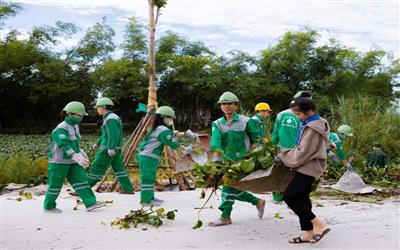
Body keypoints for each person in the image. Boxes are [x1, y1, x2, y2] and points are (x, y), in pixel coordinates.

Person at [275, 97, 331, 244]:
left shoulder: (312, 128)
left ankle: (318, 223)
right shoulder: (312, 123)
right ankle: (308, 232)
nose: (298, 117)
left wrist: (282, 156)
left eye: (299, 114)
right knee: (302, 197)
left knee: (290, 196)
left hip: (309, 166)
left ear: (310, 111)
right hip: (310, 165)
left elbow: (302, 153)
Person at [208, 92, 266, 227]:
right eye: (223, 104)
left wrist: (251, 156)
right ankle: (257, 202)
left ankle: (225, 216)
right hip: (226, 162)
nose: (226, 106)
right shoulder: (217, 124)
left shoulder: (246, 121)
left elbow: (256, 139)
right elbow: (215, 144)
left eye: (230, 103)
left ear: (236, 105)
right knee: (231, 187)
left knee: (228, 187)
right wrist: (216, 163)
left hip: (243, 162)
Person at [44, 101, 105, 213]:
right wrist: (76, 156)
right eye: (79, 115)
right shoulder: (61, 129)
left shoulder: (75, 126)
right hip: (59, 162)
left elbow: (75, 142)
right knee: (55, 185)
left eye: (81, 115)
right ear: (69, 114)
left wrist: (80, 152)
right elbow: (64, 145)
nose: (81, 118)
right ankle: (49, 206)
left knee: (81, 180)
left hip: (72, 161)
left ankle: (91, 203)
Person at [137, 106, 189, 206]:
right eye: (170, 118)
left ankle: (150, 198)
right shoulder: (162, 129)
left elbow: (172, 134)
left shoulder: (158, 128)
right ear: (162, 117)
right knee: (147, 178)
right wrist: (186, 149)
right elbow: (171, 142)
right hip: (148, 157)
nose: (171, 120)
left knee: (150, 177)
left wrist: (186, 133)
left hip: (148, 157)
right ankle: (145, 201)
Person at [271, 91, 311, 203]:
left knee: (279, 172)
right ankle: (292, 196)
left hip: (281, 149)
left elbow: (275, 133)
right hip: (296, 149)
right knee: (295, 174)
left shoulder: (281, 114)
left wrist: (272, 147)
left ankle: (278, 197)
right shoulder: (305, 116)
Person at [87, 97, 134, 194]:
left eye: (98, 107)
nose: (97, 109)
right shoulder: (110, 117)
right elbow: (106, 134)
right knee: (119, 169)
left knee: (97, 167)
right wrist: (98, 143)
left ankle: (83, 189)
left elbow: (113, 134)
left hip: (108, 149)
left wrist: (111, 147)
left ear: (103, 107)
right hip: (113, 149)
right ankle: (128, 189)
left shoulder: (110, 118)